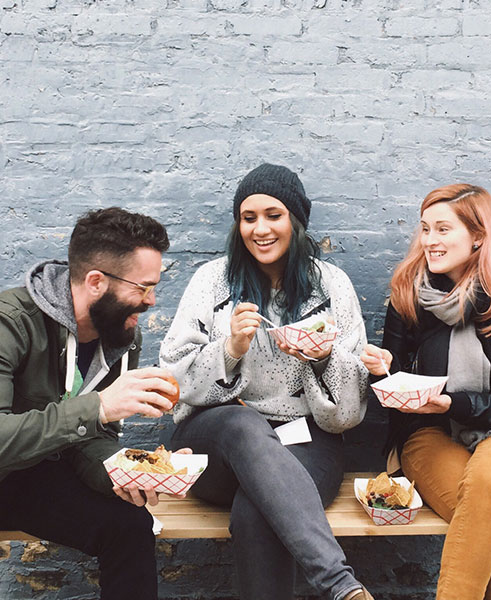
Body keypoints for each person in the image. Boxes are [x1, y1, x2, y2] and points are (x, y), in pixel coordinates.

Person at [0, 207, 182, 600]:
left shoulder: (119, 335)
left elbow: (91, 438)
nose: (151, 301)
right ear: (96, 281)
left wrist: (122, 473)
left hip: (31, 475)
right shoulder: (3, 322)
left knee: (129, 524)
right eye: (143, 288)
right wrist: (96, 408)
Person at [160, 163, 374, 600]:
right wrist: (230, 349)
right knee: (245, 426)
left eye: (273, 215)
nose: (260, 229)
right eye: (248, 217)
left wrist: (323, 360)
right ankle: (339, 584)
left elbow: (348, 412)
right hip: (215, 441)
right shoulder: (212, 281)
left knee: (258, 512)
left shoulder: (331, 286)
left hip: (307, 440)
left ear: (295, 221)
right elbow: (171, 382)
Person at [361, 184, 491, 600]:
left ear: (478, 235)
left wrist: (457, 403)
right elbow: (393, 384)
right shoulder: (408, 296)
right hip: (429, 434)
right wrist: (382, 371)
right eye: (424, 230)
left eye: (442, 229)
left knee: (487, 480)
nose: (429, 241)